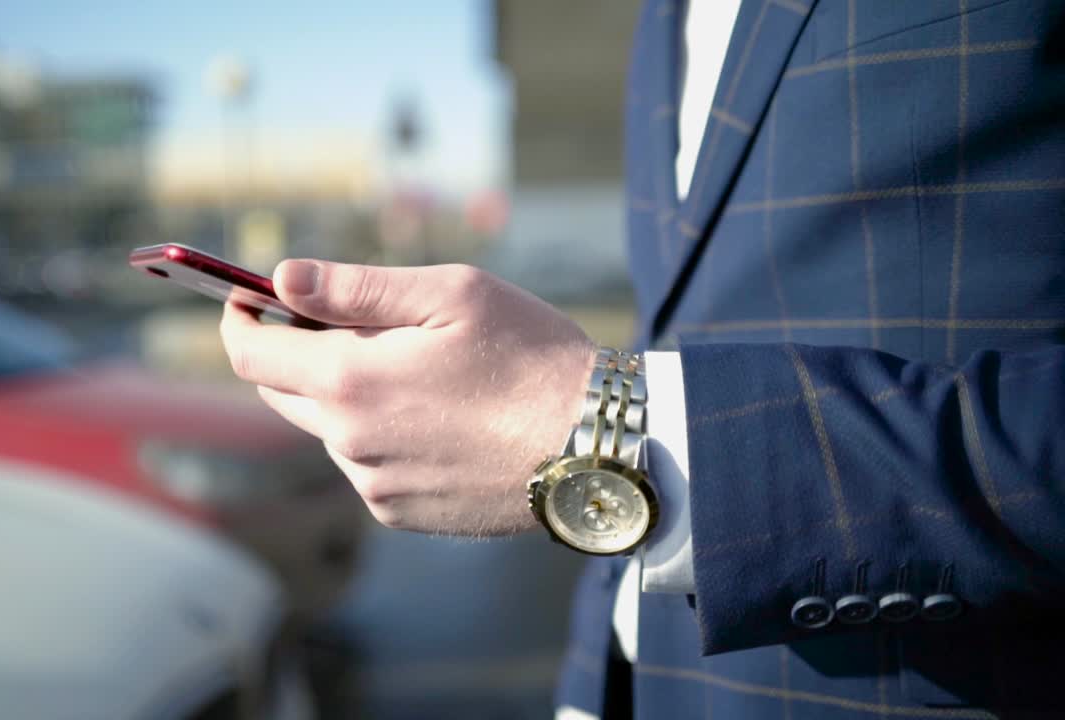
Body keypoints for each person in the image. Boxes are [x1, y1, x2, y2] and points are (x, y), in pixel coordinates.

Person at [219, 0, 1065, 717]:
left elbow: (630, 409)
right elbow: (681, 335)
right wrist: (596, 678)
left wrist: (607, 434)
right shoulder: (661, 24)